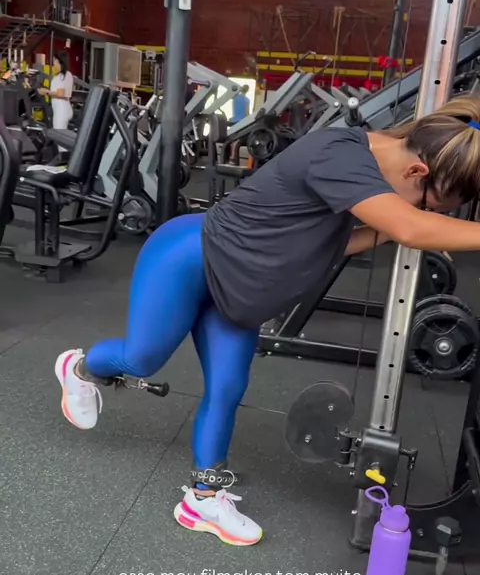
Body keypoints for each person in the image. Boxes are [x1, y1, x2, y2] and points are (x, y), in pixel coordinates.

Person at [55, 94, 480, 548]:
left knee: (227, 388)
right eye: (428, 203)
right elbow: (410, 228)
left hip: (240, 292)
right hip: (189, 259)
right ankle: (79, 368)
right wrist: (406, 226)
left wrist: (388, 230)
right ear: (416, 172)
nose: (425, 212)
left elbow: (336, 242)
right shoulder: (341, 156)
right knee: (142, 359)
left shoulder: (363, 170)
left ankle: (203, 499)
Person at [39, 52, 74, 130]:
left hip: (62, 110)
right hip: (59, 109)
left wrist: (46, 92)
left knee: (58, 134)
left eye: (54, 60)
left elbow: (62, 93)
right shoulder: (59, 76)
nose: (53, 63)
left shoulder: (65, 75)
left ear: (58, 61)